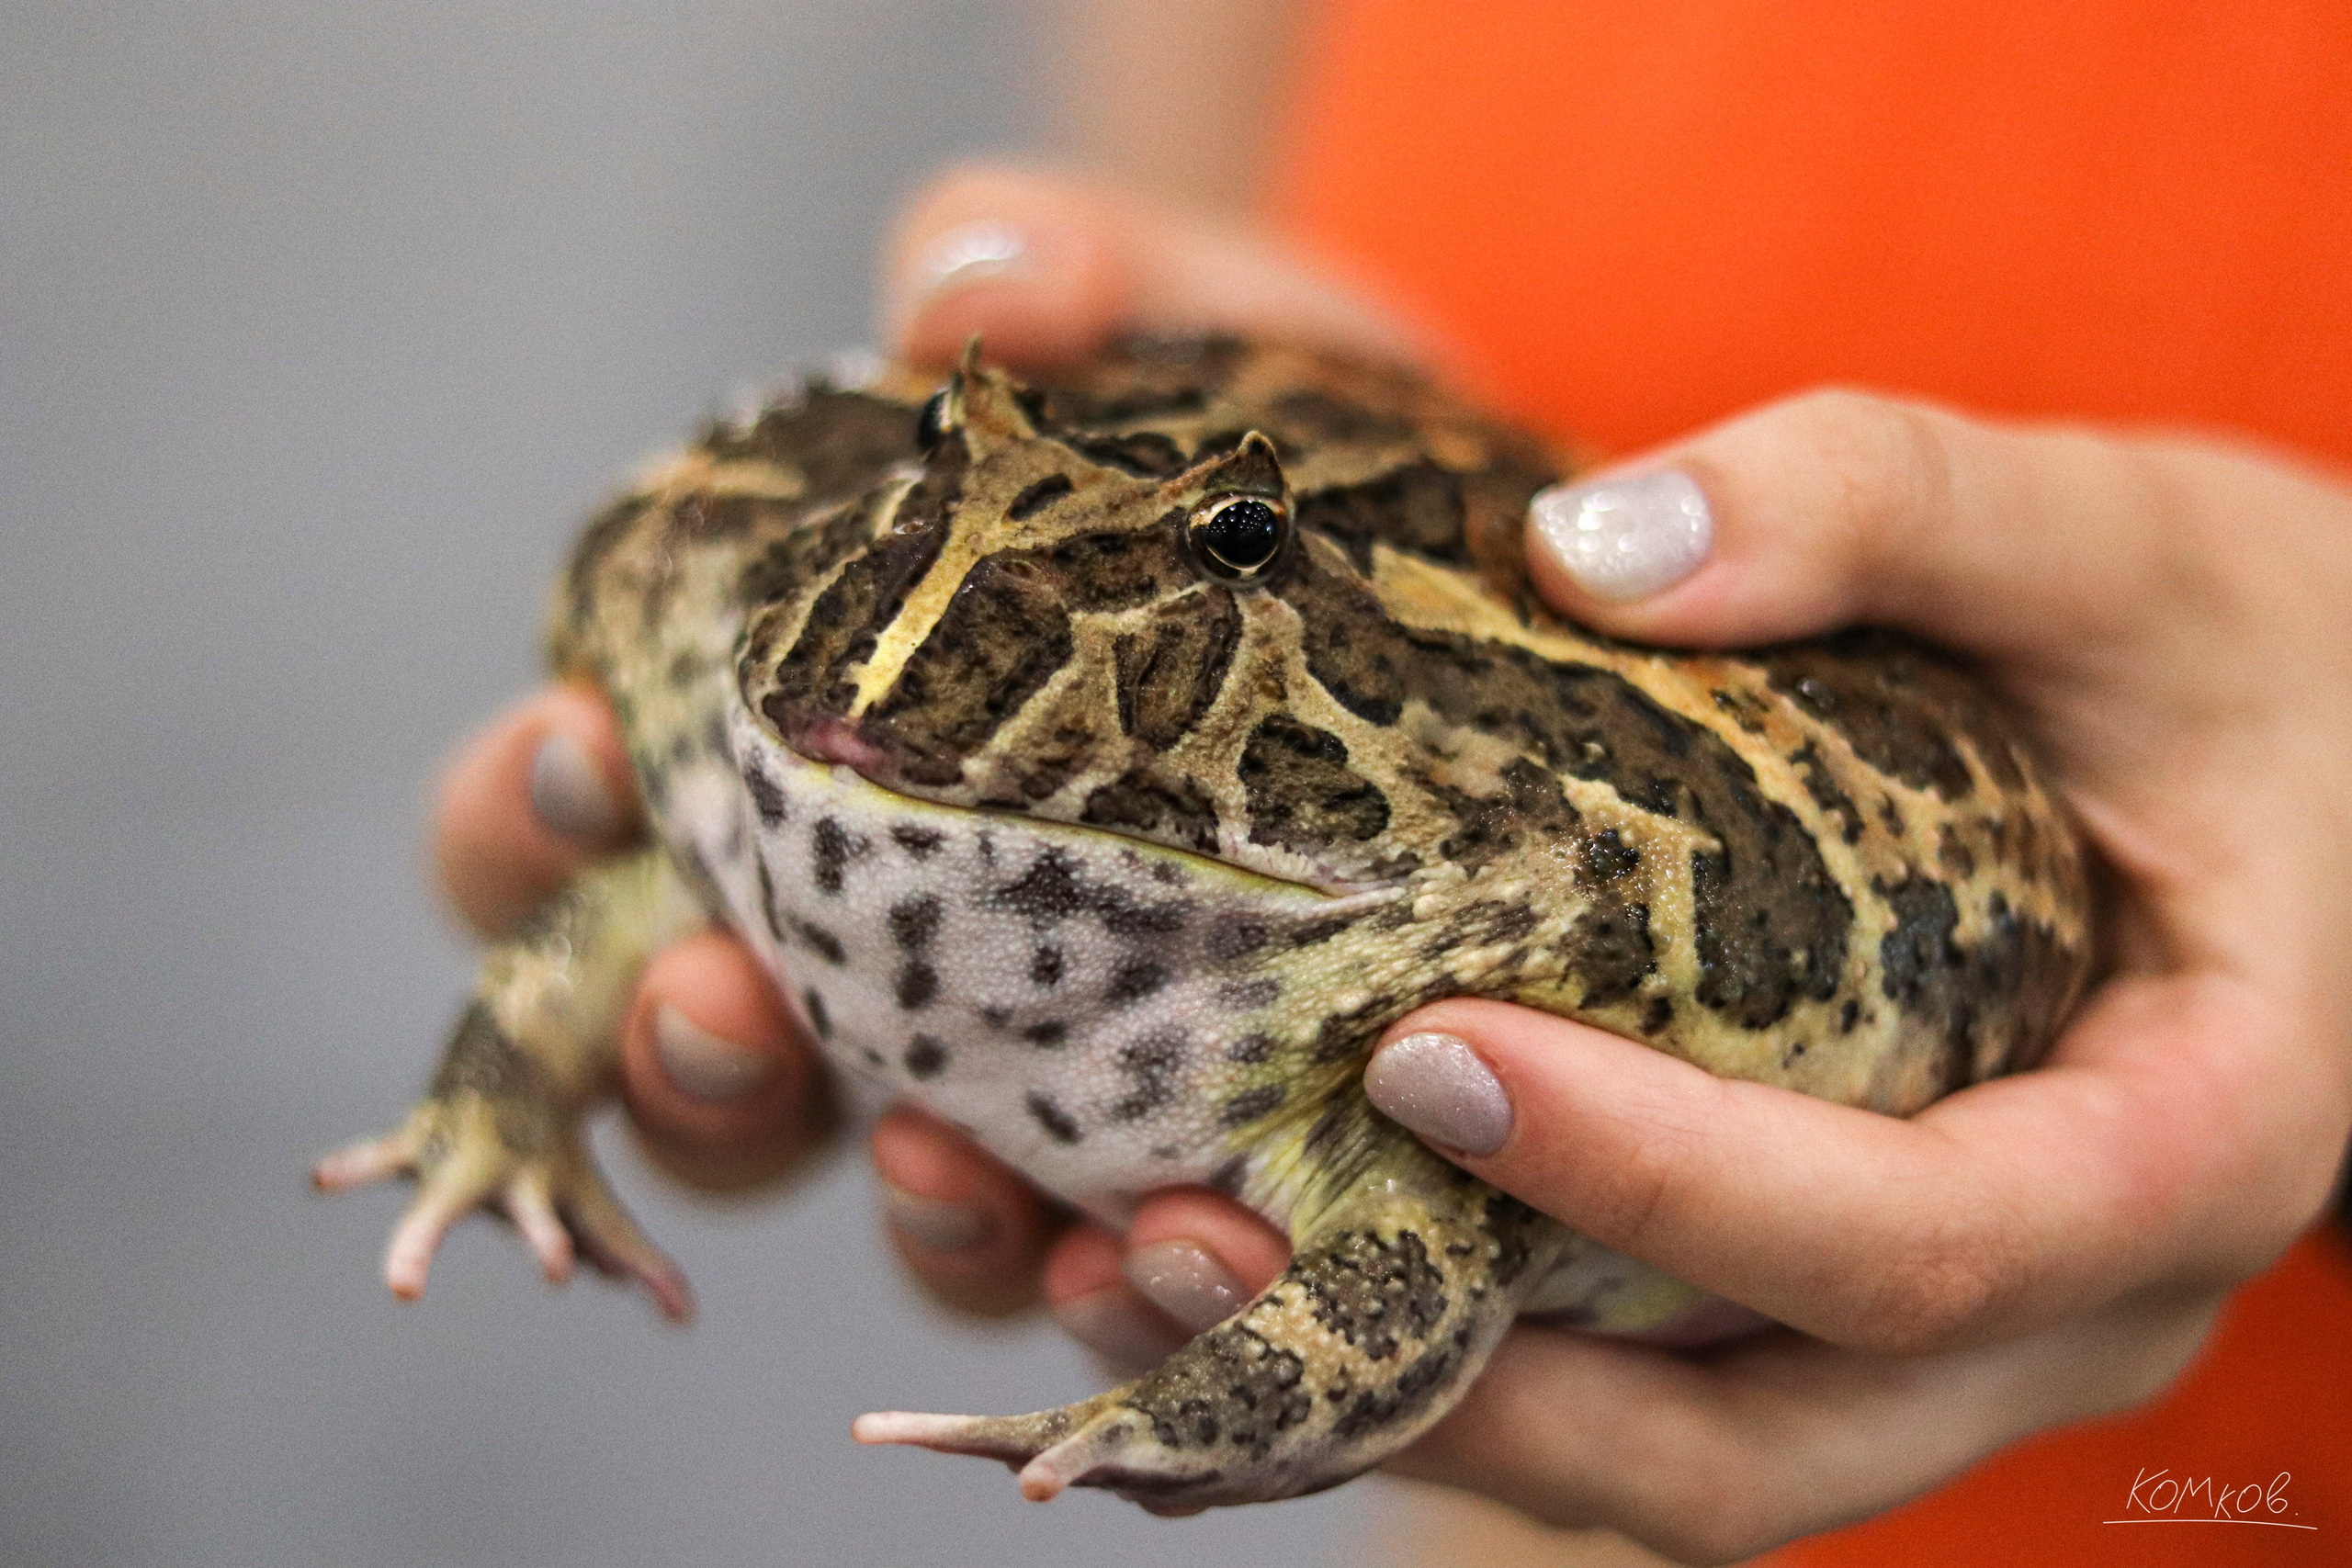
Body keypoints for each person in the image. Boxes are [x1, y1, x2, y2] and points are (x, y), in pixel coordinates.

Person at [425, 3, 2352, 1561]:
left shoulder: (1453, 884)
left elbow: (1413, 1261)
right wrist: (1177, 248)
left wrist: (1183, 1417)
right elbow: (608, 894)